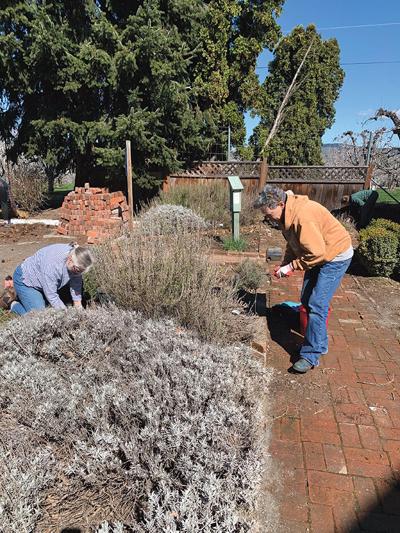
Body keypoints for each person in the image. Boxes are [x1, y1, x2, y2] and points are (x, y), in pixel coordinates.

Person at [254, 185, 353, 373]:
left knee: (317, 303)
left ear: (281, 204)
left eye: (268, 214)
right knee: (306, 299)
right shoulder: (285, 215)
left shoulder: (302, 217)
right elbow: (294, 243)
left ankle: (311, 355)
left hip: (336, 255)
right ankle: (318, 340)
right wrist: (286, 263)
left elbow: (317, 254)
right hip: (319, 253)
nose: (267, 218)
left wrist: (292, 266)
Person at [11, 243, 94, 315]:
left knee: (54, 306)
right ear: (70, 260)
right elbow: (52, 295)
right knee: (39, 316)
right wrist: (66, 316)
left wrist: (78, 307)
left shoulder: (76, 260)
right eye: (77, 270)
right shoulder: (52, 265)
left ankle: (30, 298)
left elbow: (76, 283)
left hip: (45, 282)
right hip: (26, 281)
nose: (78, 274)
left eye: (81, 272)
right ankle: (14, 305)